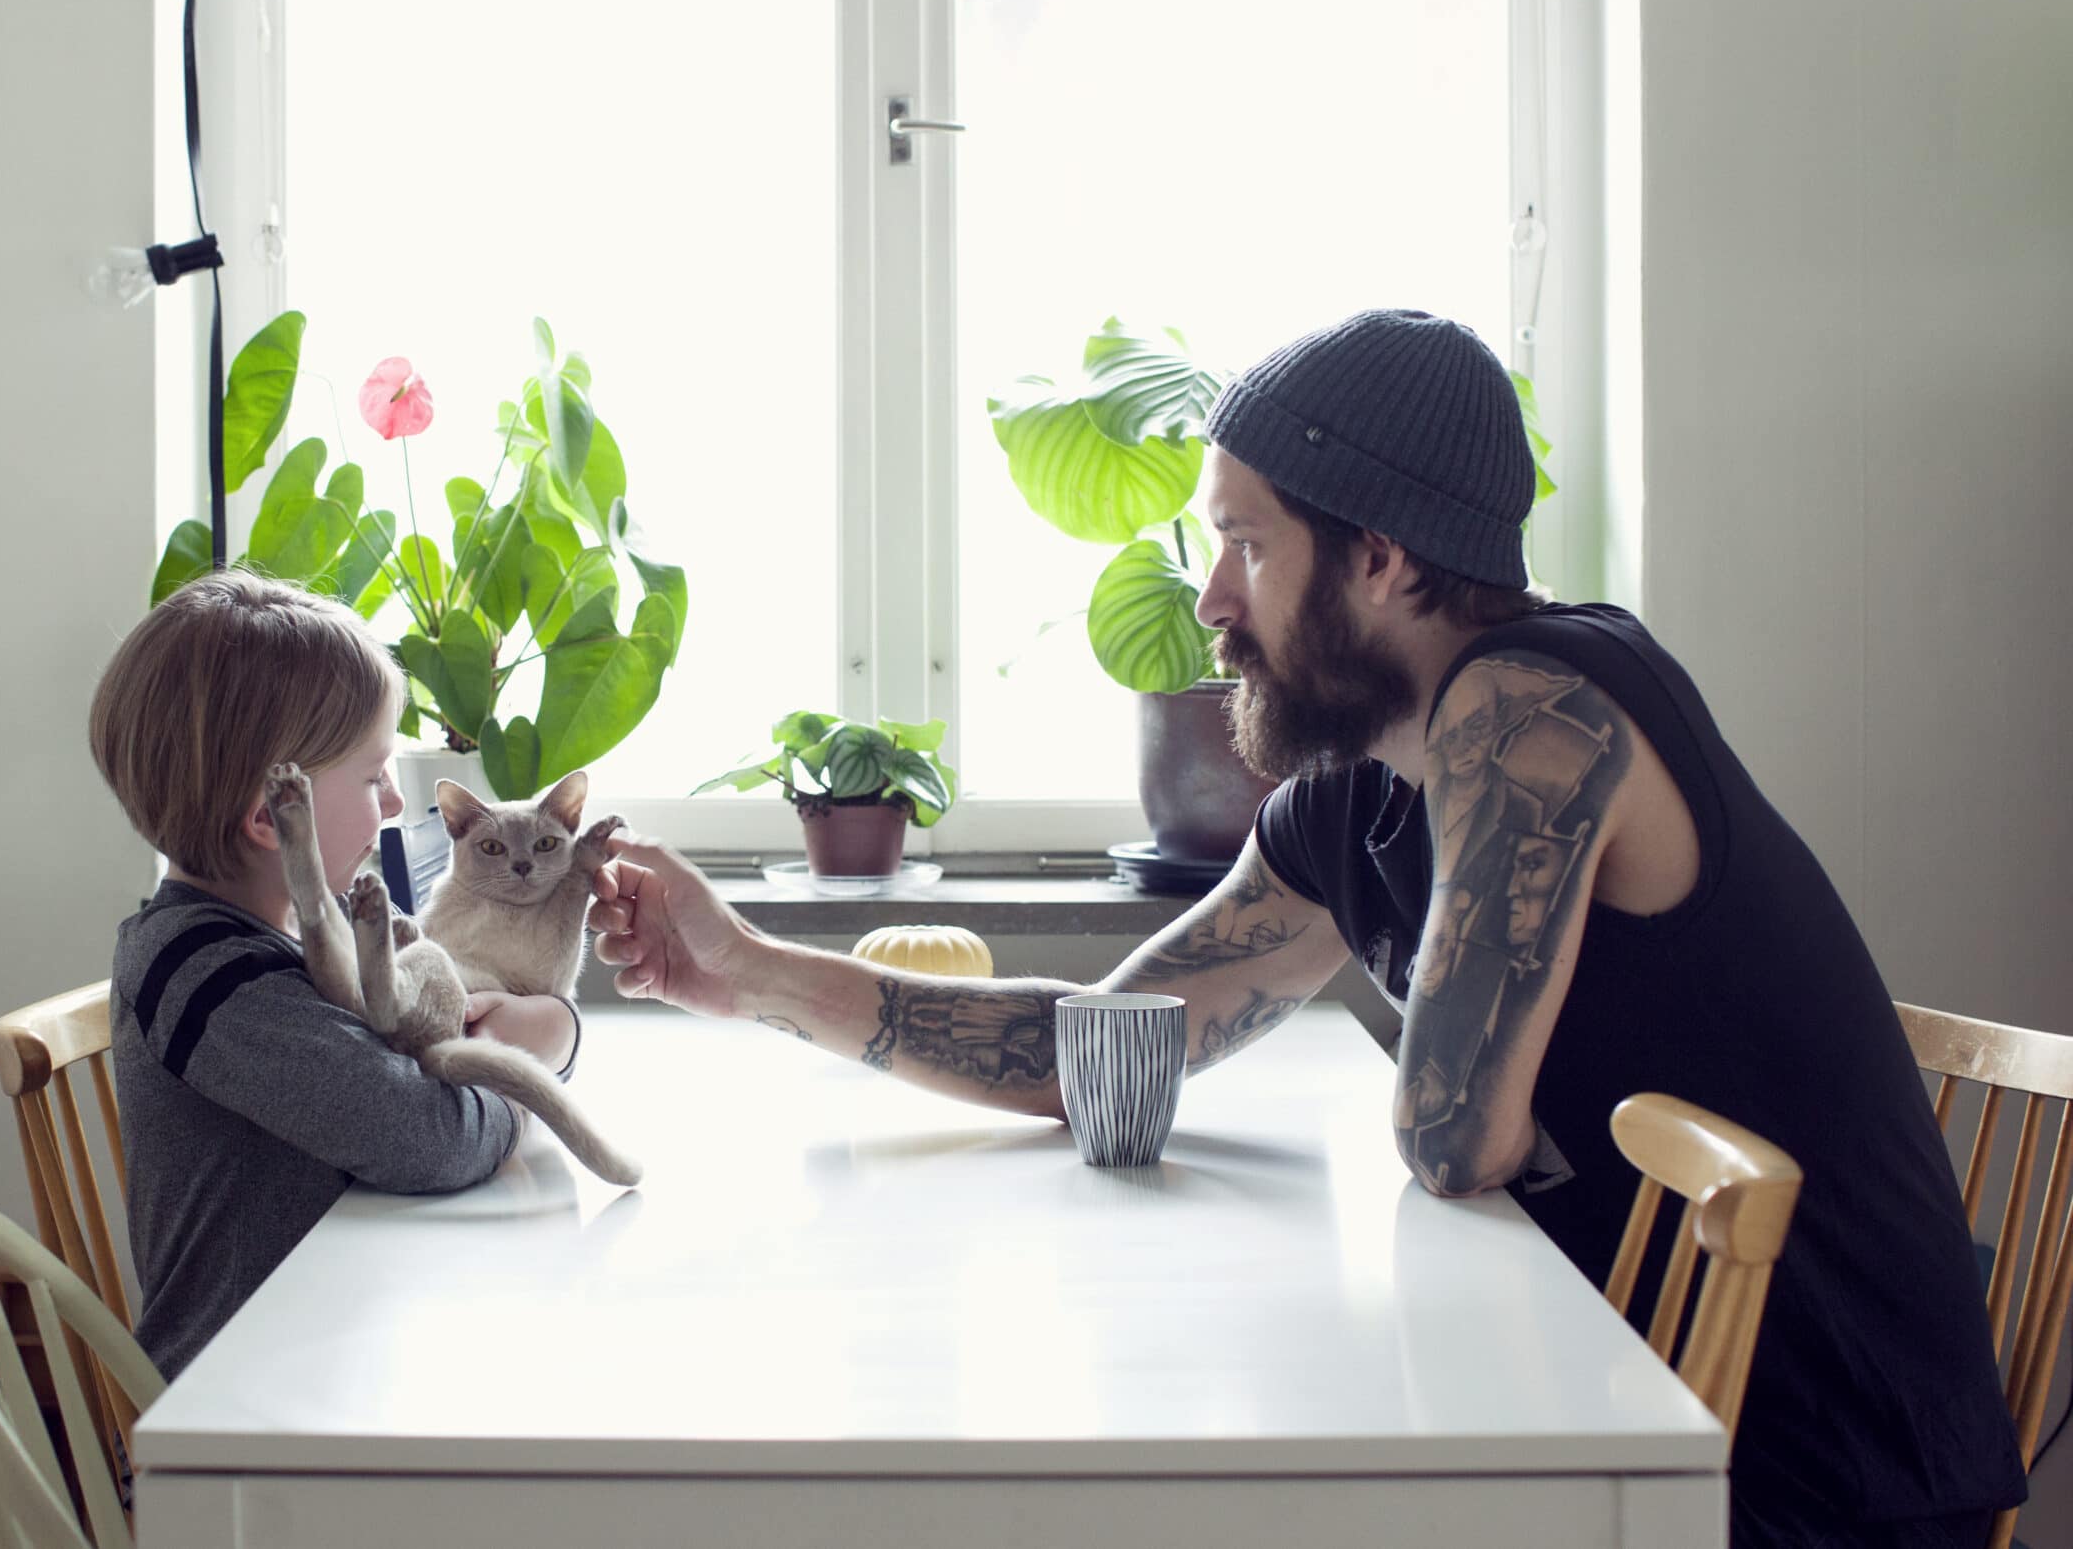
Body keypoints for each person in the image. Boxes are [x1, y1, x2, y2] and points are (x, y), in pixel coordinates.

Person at [589, 311, 2025, 1546]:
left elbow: (1450, 1134)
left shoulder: (1540, 706)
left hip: (1814, 1471)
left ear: (1384, 558)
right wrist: (748, 968)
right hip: (1619, 1400)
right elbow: (1106, 1048)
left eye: (1245, 544)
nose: (1211, 598)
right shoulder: (1360, 795)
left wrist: (1484, 1130)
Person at [87, 569, 577, 1377]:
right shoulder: (210, 980)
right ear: (269, 816)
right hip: (233, 1419)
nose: (392, 802)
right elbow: (429, 1137)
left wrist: (546, 1030)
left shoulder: (276, 937)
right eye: (373, 773)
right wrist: (533, 1066)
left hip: (324, 1347)